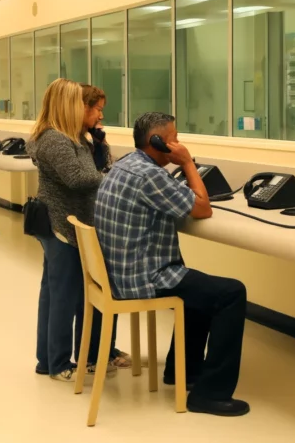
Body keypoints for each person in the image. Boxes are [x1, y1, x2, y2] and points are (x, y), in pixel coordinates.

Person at [94, 112, 250, 417]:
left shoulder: (125, 164)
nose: (178, 143)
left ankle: (183, 371)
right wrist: (188, 163)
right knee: (231, 293)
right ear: (158, 142)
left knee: (199, 288)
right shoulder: (150, 175)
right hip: (142, 278)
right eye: (174, 138)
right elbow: (202, 208)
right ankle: (210, 394)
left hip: (120, 273)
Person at [28, 79, 132, 383]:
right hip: (61, 225)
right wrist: (114, 178)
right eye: (89, 107)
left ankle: (49, 360)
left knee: (56, 292)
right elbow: (79, 178)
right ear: (68, 105)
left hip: (68, 222)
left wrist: (99, 148)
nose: (99, 115)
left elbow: (97, 169)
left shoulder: (74, 138)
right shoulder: (57, 140)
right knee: (62, 295)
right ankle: (58, 362)